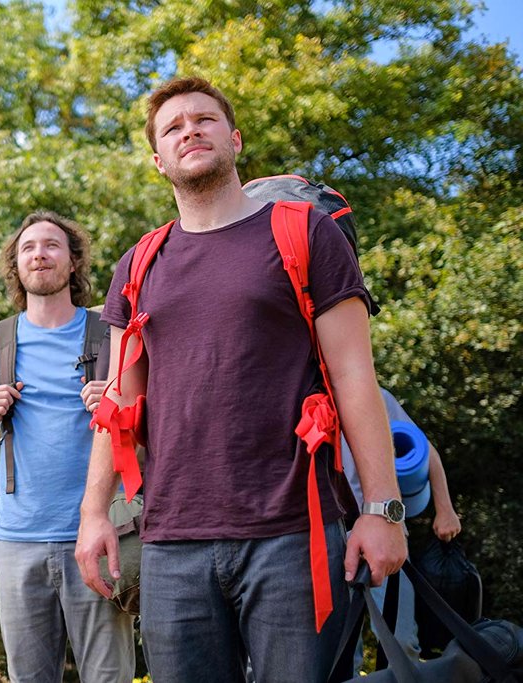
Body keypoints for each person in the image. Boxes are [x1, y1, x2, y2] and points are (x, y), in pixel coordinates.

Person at [74, 76, 408, 683]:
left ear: (233, 137)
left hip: (295, 534)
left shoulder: (305, 232)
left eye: (203, 120)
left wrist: (383, 509)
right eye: (172, 128)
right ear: (158, 160)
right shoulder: (140, 261)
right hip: (172, 539)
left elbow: (356, 379)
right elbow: (120, 403)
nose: (189, 131)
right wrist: (94, 512)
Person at [0, 211, 135, 682]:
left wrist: (114, 404)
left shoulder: (108, 335)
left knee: (108, 676)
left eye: (52, 245)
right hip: (17, 540)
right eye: (28, 247)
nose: (40, 254)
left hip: (99, 533)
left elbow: (153, 427)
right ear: (16, 264)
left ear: (73, 262)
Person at [342, 387, 461, 670]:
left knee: (402, 640)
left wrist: (445, 509)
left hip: (383, 532)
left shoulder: (373, 397)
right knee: (344, 649)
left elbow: (426, 450)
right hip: (330, 539)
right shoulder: (298, 392)